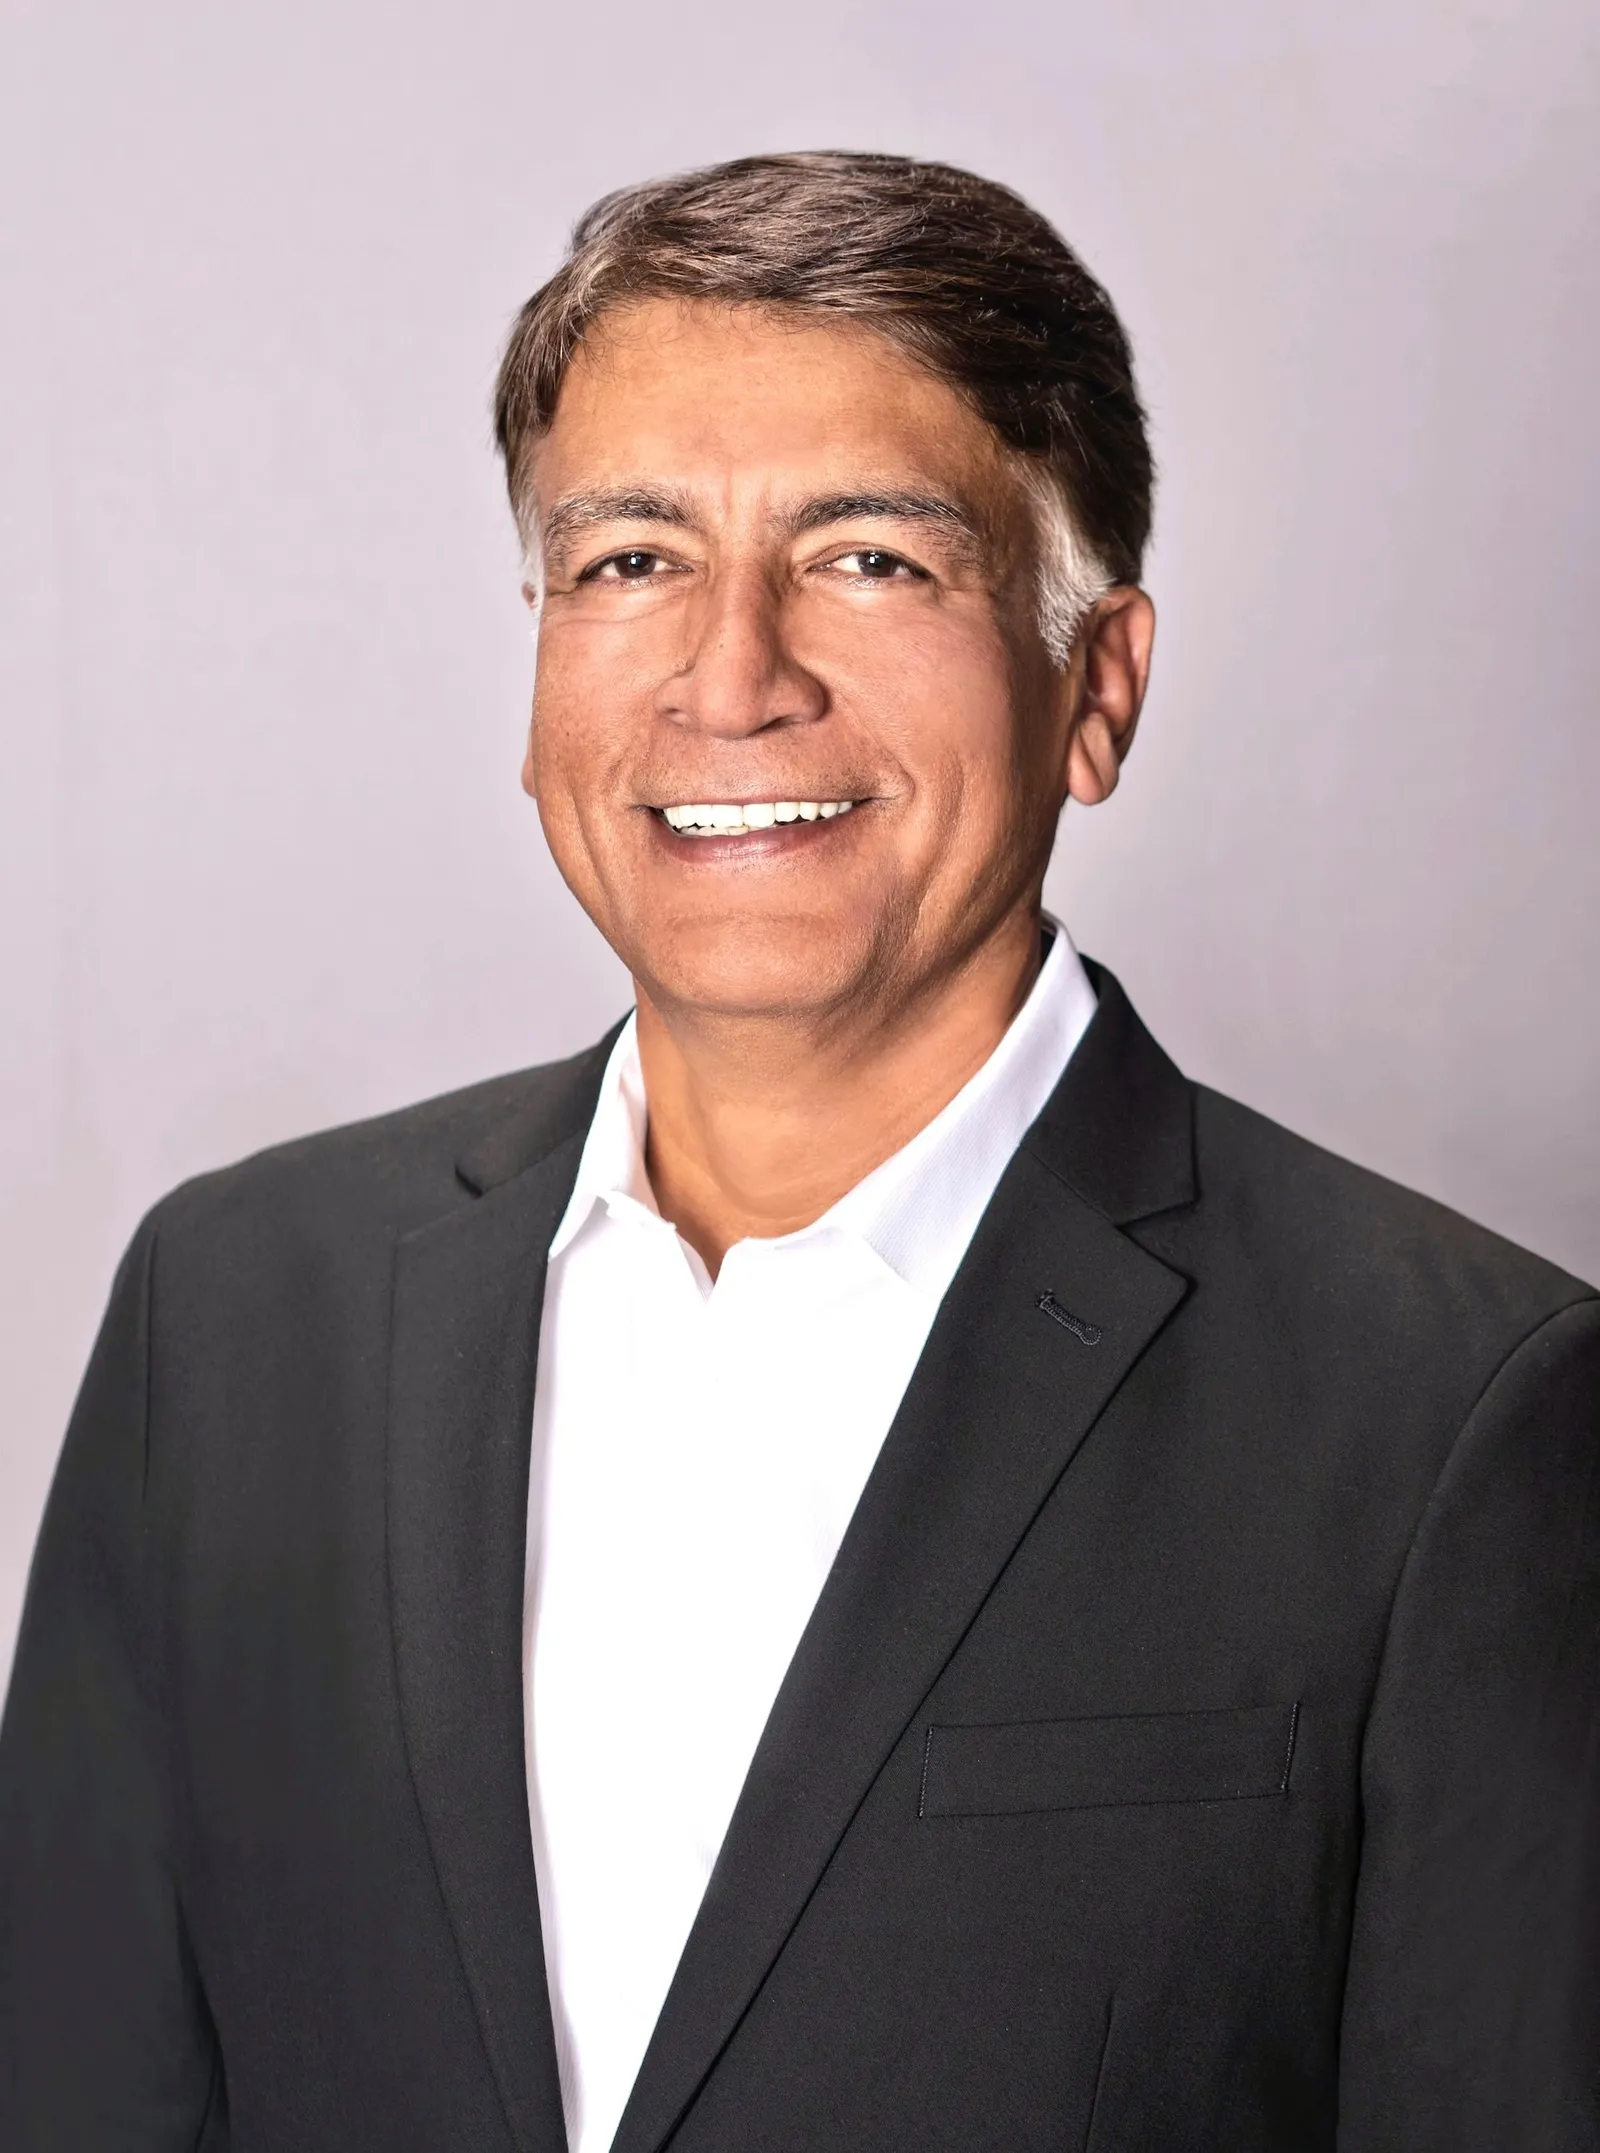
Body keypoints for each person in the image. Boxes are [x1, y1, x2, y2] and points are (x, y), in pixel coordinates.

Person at [1, 150, 1595, 2153]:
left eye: (869, 559)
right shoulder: (234, 1318)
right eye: (630, 560)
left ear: (1094, 686)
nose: (730, 676)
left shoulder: (1458, 1414)